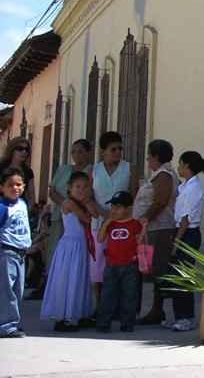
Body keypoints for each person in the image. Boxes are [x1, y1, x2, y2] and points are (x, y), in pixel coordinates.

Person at [41, 171, 96, 331]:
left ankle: (78, 314)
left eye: (85, 187)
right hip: (70, 246)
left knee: (80, 278)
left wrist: (88, 202)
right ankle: (63, 316)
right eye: (77, 187)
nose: (81, 190)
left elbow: (96, 213)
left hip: (81, 246)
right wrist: (87, 203)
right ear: (69, 189)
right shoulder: (68, 203)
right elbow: (86, 218)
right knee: (68, 279)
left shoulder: (83, 202)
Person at [133, 139, 178, 326]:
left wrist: (145, 218)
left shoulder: (164, 175)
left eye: (149, 155)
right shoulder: (159, 174)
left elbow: (161, 201)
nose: (147, 159)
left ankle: (157, 310)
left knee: (157, 269)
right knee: (149, 269)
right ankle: (153, 309)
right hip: (152, 229)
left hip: (159, 229)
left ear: (156, 157)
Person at [168, 151, 204, 332]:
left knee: (184, 276)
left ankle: (187, 317)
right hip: (182, 231)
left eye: (180, 164)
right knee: (177, 276)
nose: (179, 168)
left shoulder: (194, 188)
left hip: (188, 233)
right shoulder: (185, 186)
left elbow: (185, 219)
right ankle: (179, 315)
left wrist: (177, 242)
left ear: (187, 166)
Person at [89, 132, 131, 309]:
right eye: (113, 149)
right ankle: (99, 306)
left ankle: (118, 307)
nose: (117, 152)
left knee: (119, 266)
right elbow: (90, 196)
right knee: (97, 266)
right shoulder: (95, 170)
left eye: (120, 149)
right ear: (103, 151)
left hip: (122, 226)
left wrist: (120, 215)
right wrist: (103, 213)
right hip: (99, 224)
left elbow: (132, 195)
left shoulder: (129, 168)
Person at [44, 139, 94, 284]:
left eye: (80, 151)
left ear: (88, 153)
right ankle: (51, 282)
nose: (76, 155)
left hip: (79, 218)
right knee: (55, 249)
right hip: (60, 214)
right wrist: (65, 203)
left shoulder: (91, 170)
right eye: (73, 152)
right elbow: (52, 191)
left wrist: (75, 207)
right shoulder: (63, 169)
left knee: (75, 254)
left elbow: (90, 192)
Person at [96, 191, 144, 332]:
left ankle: (127, 323)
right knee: (108, 295)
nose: (113, 210)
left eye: (118, 207)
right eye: (112, 207)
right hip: (111, 265)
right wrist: (106, 223)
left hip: (130, 265)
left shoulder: (134, 224)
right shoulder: (110, 224)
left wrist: (144, 229)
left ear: (128, 209)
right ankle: (103, 323)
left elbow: (139, 242)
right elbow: (100, 239)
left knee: (129, 295)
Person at [1, 167, 31, 338]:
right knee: (7, 291)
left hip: (21, 254)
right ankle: (6, 326)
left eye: (19, 184)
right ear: (2, 188)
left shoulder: (22, 204)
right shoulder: (2, 207)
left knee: (18, 291)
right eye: (10, 185)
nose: (15, 188)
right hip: (6, 253)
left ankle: (11, 322)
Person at [0, 138, 36, 209]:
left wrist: (27, 209)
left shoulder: (28, 171)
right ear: (12, 150)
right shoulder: (1, 167)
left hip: (18, 210)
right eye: (20, 149)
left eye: (27, 149)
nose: (24, 152)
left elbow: (31, 194)